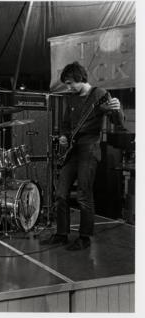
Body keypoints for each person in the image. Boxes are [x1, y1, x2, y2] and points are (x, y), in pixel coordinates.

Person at [42, 61, 124, 251]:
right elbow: (65, 124)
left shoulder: (100, 94)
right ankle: (61, 234)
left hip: (89, 148)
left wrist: (117, 108)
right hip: (72, 149)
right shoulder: (71, 99)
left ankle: (84, 237)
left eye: (70, 83)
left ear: (80, 78)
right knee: (61, 194)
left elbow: (117, 120)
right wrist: (63, 136)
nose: (68, 87)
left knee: (83, 195)